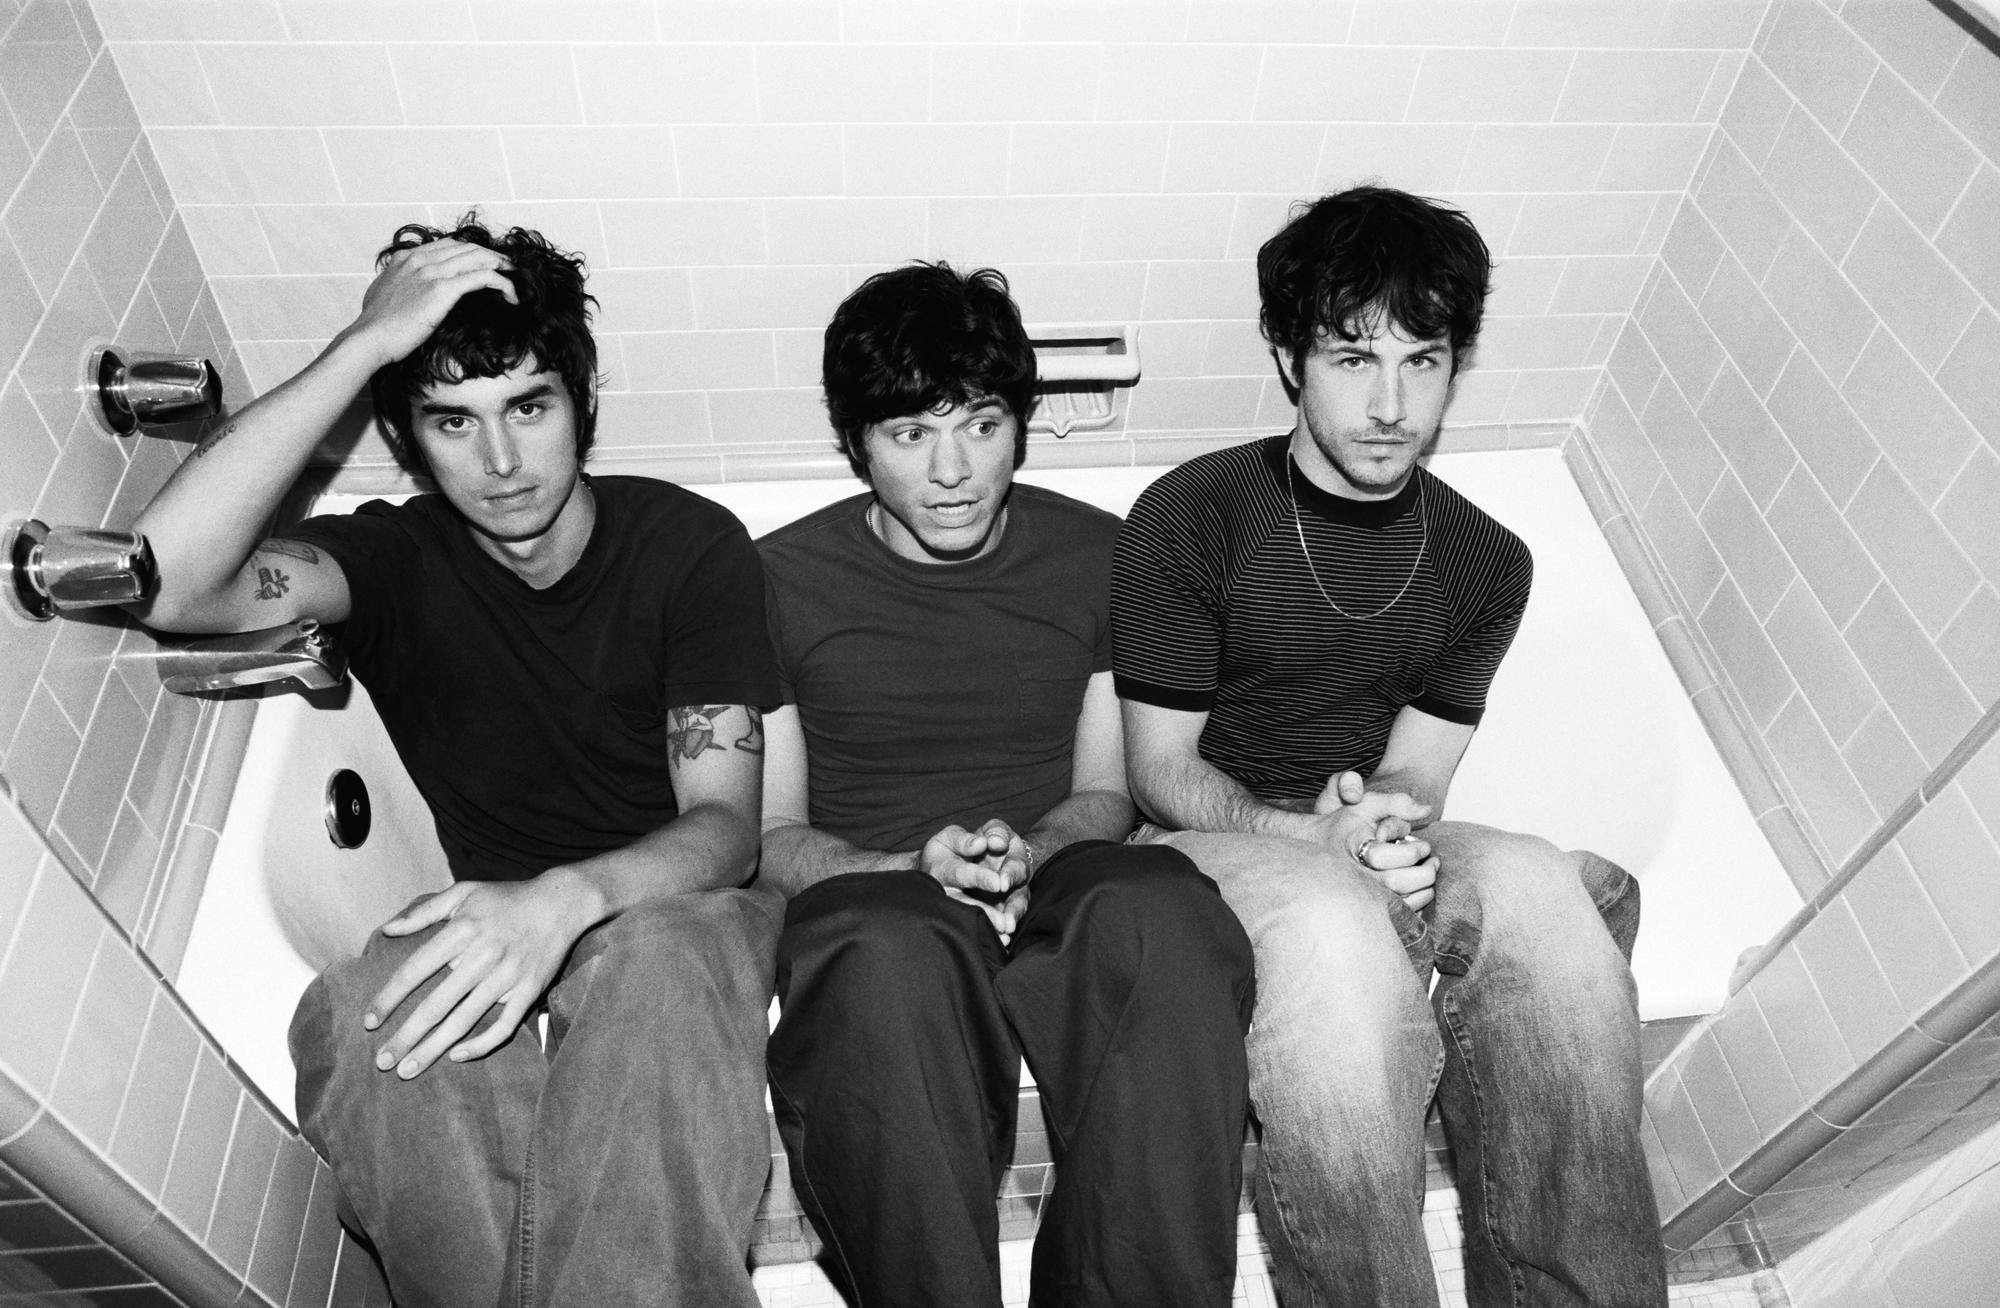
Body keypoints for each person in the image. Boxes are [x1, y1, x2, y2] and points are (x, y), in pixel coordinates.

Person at [128, 217, 781, 1308]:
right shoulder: (391, 561)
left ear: (580, 404)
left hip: (673, 902)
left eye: (529, 407)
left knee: (657, 967)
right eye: (452, 421)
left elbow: (725, 830)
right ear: (408, 435)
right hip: (480, 904)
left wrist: (566, 901)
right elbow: (168, 586)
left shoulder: (688, 545)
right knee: (358, 1019)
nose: (502, 461)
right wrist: (359, 347)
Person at [1111, 187, 1666, 1308]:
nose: (1387, 403)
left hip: (1354, 828)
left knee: (1545, 897)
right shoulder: (1191, 514)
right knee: (1332, 949)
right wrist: (1307, 838)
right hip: (1208, 841)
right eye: (1349, 359)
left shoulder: (1484, 559)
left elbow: (1420, 764)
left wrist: (1382, 823)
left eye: (1422, 362)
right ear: (1285, 358)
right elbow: (1158, 771)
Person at [756, 262, 1257, 1307]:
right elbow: (772, 833)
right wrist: (911, 866)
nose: (949, 470)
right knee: (882, 955)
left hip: (1057, 868)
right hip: (875, 886)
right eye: (907, 434)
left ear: (1019, 424)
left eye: (980, 426)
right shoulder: (775, 579)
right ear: (855, 443)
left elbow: (1107, 792)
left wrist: (1027, 853)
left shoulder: (1100, 554)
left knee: (1163, 913)